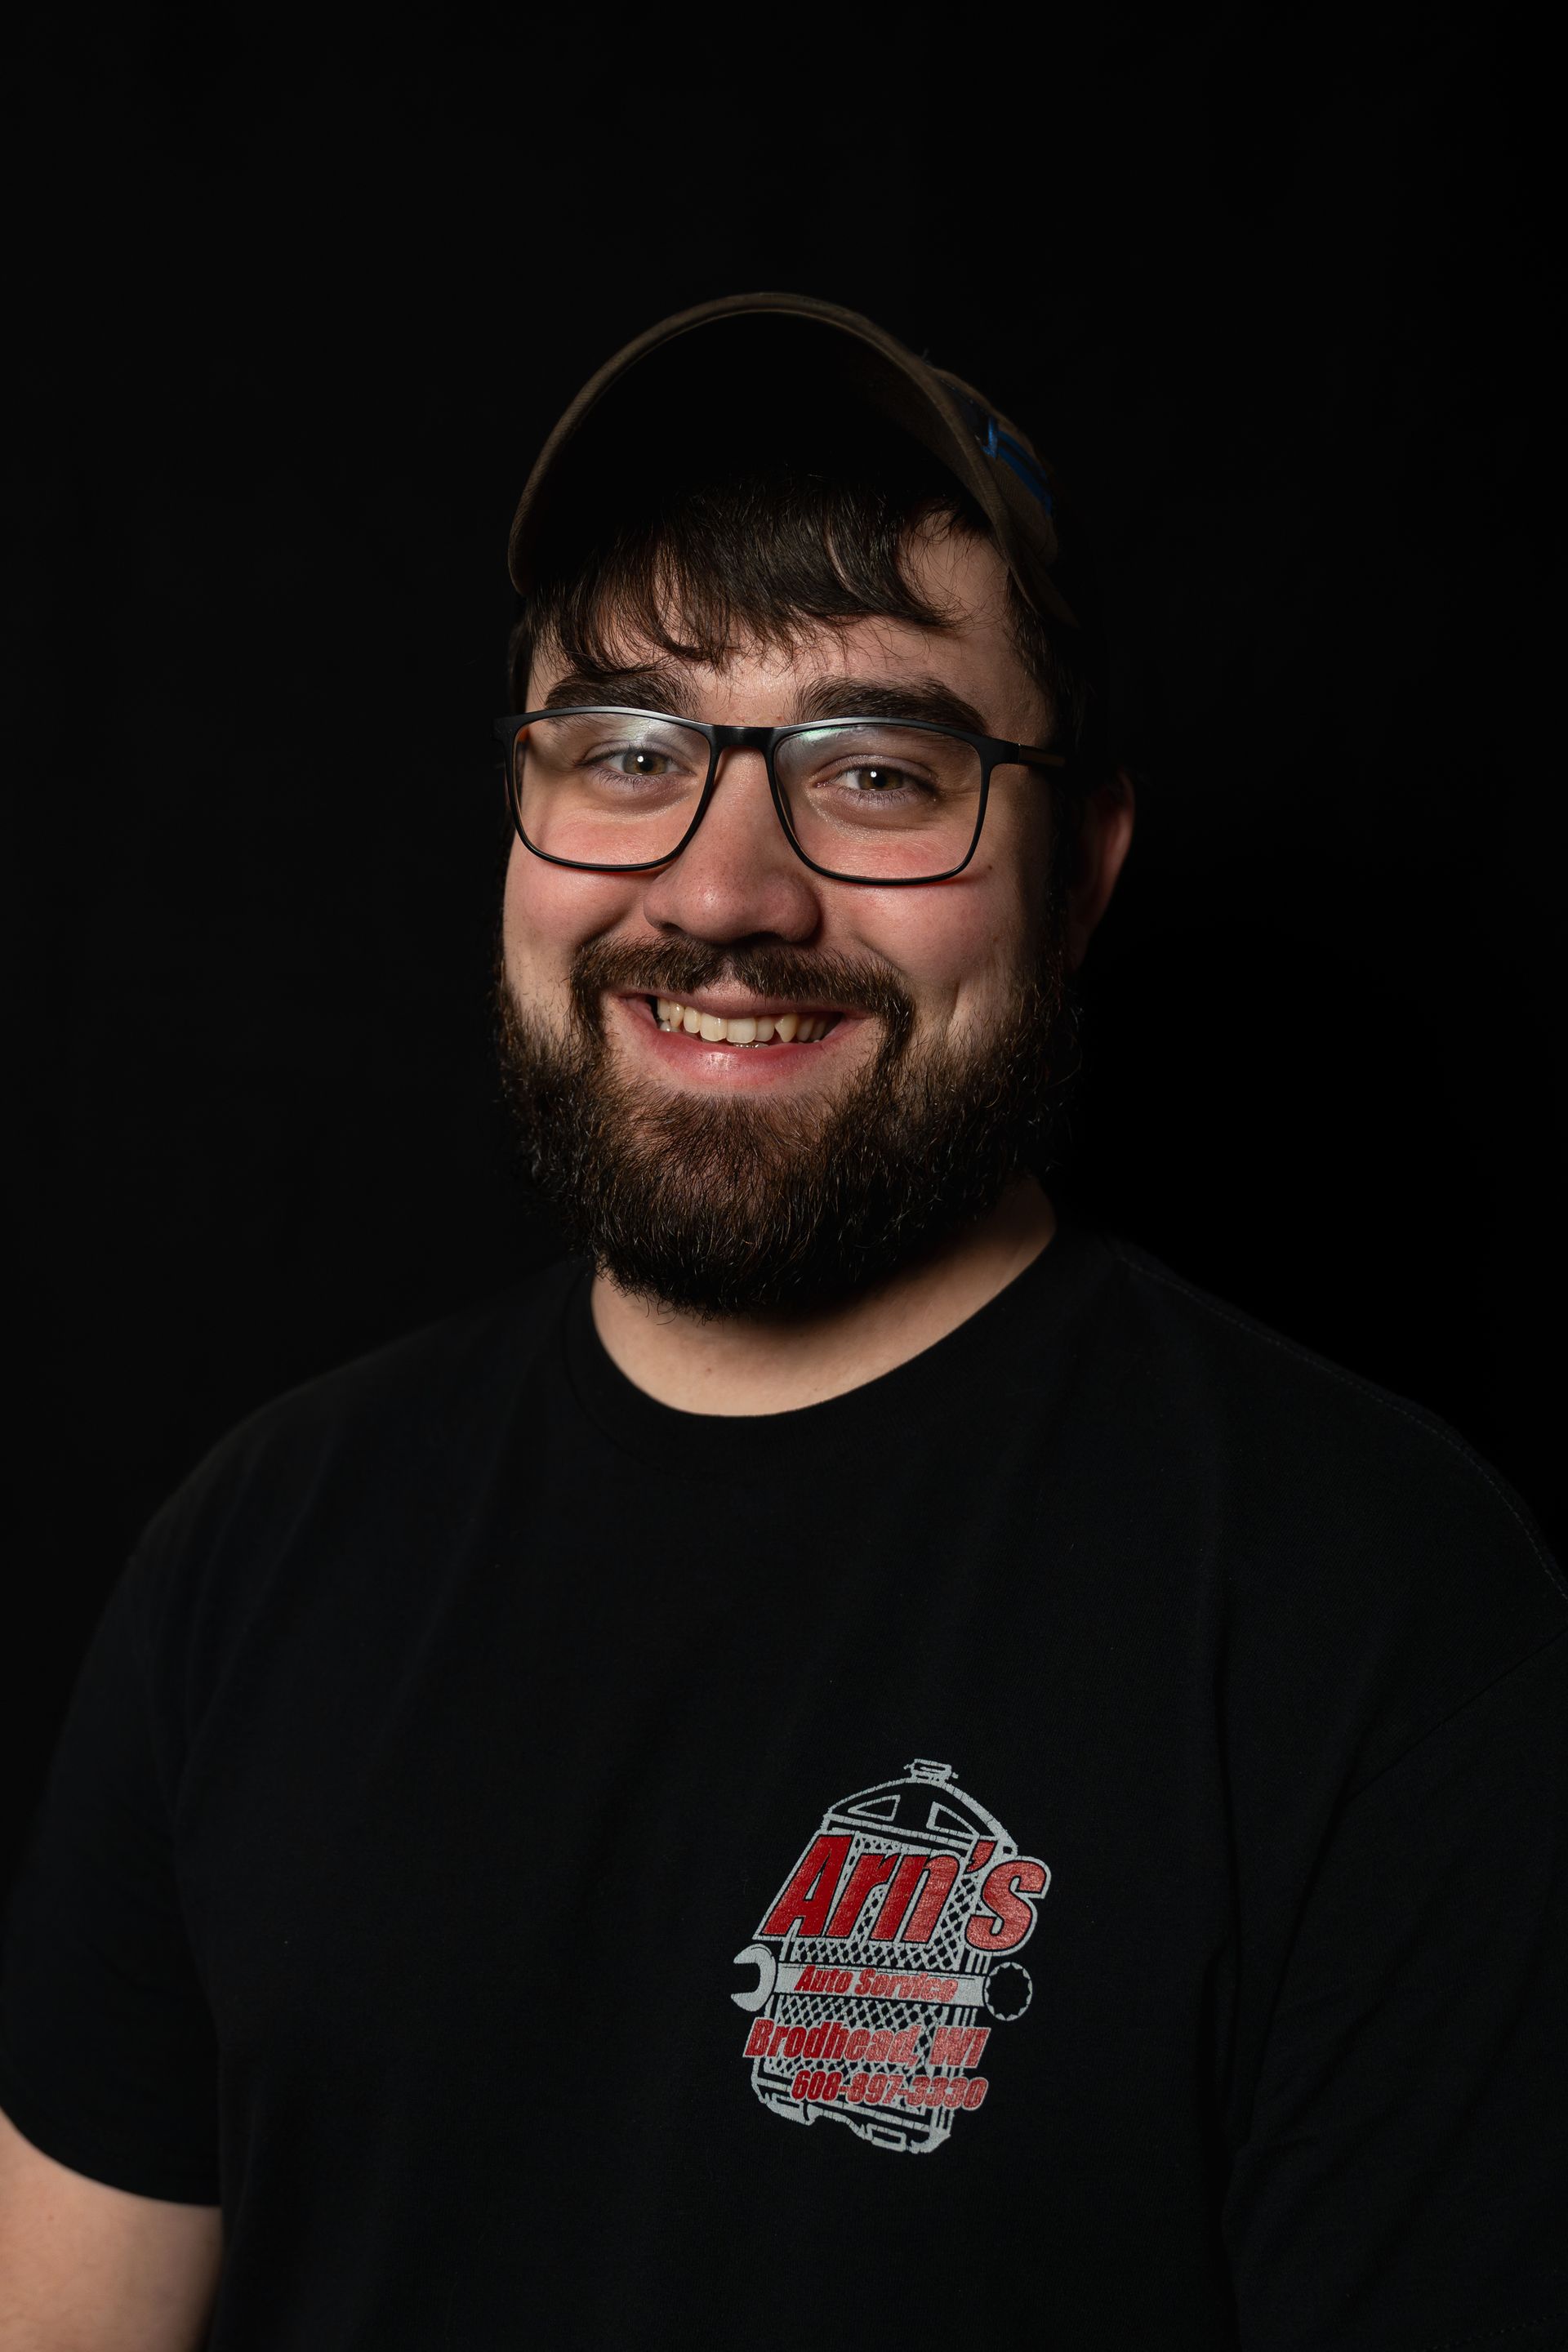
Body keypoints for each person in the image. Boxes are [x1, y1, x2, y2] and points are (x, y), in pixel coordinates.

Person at [1, 293, 1563, 2352]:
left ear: (1080, 871)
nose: (725, 890)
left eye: (878, 768)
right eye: (628, 749)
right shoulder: (249, 1560)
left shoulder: (1380, 1612)